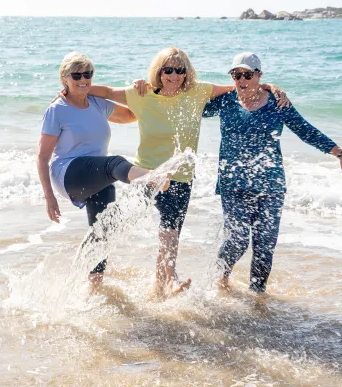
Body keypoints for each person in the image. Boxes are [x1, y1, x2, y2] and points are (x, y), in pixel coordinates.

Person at [77, 47, 290, 298]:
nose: (174, 76)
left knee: (170, 232)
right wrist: (73, 90)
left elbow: (240, 86)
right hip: (146, 174)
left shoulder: (198, 91)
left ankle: (161, 287)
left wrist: (271, 87)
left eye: (180, 70)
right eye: (168, 70)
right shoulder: (141, 94)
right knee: (122, 227)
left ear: (186, 72)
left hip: (180, 177)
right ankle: (100, 276)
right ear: (159, 71)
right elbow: (103, 92)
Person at [203, 52, 342, 293]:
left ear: (258, 75)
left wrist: (340, 154)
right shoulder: (225, 101)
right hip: (233, 185)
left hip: (270, 187)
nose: (241, 80)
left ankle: (257, 298)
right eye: (236, 75)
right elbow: (188, 106)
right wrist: (153, 94)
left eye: (247, 75)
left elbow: (305, 130)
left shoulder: (277, 103)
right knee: (237, 241)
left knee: (264, 247)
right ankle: (219, 281)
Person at [37, 52, 168, 288]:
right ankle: (149, 178)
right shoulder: (57, 109)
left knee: (104, 230)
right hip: (68, 173)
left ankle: (93, 287)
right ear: (64, 79)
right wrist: (49, 197)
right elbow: (42, 156)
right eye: (77, 75)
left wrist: (140, 90)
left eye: (88, 74)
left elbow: (131, 115)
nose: (83, 79)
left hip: (98, 176)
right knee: (114, 162)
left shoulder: (97, 103)